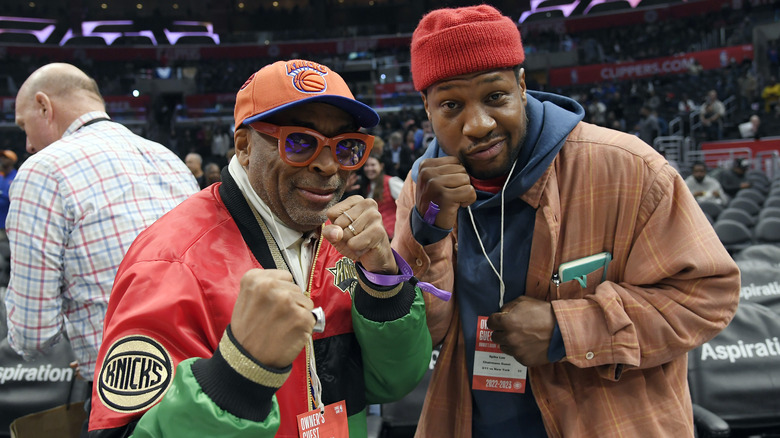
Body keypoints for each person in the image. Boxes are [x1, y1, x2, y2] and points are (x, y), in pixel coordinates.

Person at [392, 6, 740, 437]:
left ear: (522, 86)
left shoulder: (629, 168)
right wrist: (429, 229)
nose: (478, 125)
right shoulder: (421, 186)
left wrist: (567, 328)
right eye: (450, 105)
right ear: (426, 109)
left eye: (495, 96)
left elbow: (708, 296)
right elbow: (424, 333)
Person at [88, 59, 432, 437]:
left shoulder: (344, 241)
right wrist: (237, 373)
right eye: (299, 142)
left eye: (347, 147)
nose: (328, 164)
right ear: (244, 146)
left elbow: (391, 383)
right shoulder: (171, 262)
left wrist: (383, 280)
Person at [6, 62, 198, 427]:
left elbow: (33, 333)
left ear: (44, 106)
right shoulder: (167, 159)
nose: (27, 144)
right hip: (202, 386)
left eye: (23, 126)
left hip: (126, 398)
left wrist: (95, 337)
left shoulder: (43, 168)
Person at [362, 150, 404, 240]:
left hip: (396, 236)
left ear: (381, 166)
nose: (369, 168)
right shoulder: (369, 187)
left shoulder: (391, 182)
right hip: (381, 238)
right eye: (367, 166)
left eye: (373, 165)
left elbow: (409, 203)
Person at [0, 150, 18, 238]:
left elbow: (15, 199)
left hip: (8, 225)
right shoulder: (0, 176)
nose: (1, 159)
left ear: (12, 161)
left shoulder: (16, 176)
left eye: (4, 158)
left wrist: (2, 194)